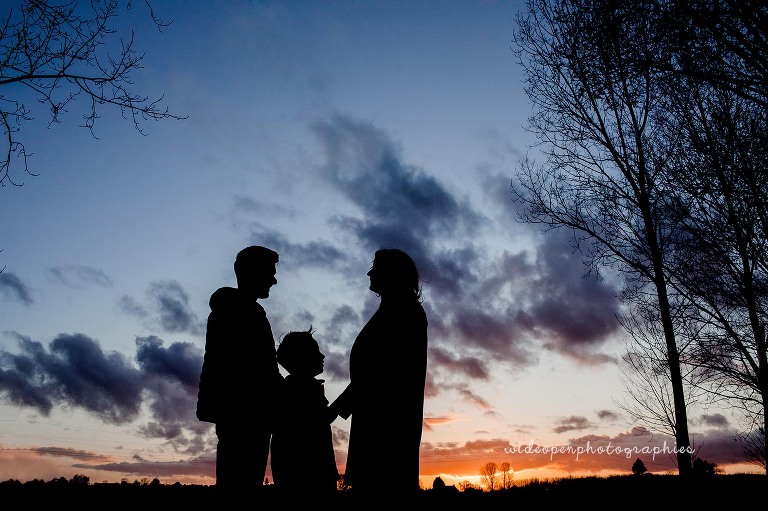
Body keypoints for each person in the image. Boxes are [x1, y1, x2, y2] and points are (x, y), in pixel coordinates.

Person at [328, 248, 428, 497]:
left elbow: (381, 372)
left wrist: (334, 409)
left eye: (377, 268)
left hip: (387, 429)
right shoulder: (394, 309)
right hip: (378, 422)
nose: (370, 273)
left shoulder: (403, 311)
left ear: (393, 274)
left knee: (381, 492)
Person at [196, 245, 283, 496]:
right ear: (252, 273)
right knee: (240, 485)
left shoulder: (241, 311)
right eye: (270, 272)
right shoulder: (241, 313)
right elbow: (258, 370)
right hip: (246, 413)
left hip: (244, 413)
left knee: (240, 482)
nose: (274, 280)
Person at [271, 328, 339, 498]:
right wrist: (351, 396)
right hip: (310, 479)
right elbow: (319, 421)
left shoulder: (294, 388)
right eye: (315, 351)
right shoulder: (300, 390)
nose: (322, 356)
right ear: (301, 358)